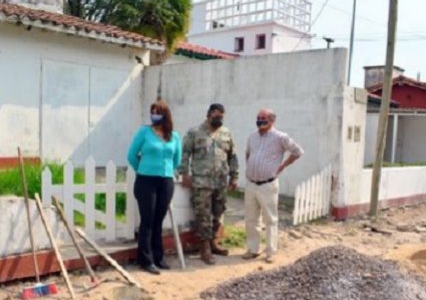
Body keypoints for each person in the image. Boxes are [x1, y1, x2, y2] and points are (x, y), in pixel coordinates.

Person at [127, 100, 182, 275]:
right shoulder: (144, 132)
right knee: (148, 220)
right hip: (146, 181)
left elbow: (177, 159)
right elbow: (131, 155)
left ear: (165, 115)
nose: (154, 115)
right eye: (152, 112)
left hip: (165, 181)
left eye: (158, 112)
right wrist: (142, 169)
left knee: (159, 220)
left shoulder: (174, 136)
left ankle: (159, 257)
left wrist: (165, 170)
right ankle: (146, 259)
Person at [242, 108, 303, 263]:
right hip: (251, 184)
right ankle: (253, 249)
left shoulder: (280, 137)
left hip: (267, 184)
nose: (260, 120)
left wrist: (283, 166)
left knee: (270, 219)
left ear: (271, 120)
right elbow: (248, 154)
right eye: (258, 117)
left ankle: (270, 252)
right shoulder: (252, 137)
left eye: (263, 118)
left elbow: (297, 151)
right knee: (251, 219)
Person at [180, 103, 238, 264]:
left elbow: (232, 156)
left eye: (221, 117)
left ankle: (213, 242)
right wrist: (184, 173)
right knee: (203, 215)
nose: (219, 119)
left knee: (218, 213)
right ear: (208, 115)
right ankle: (204, 248)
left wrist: (234, 176)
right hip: (201, 182)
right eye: (216, 116)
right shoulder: (194, 132)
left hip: (220, 182)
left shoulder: (226, 133)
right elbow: (185, 153)